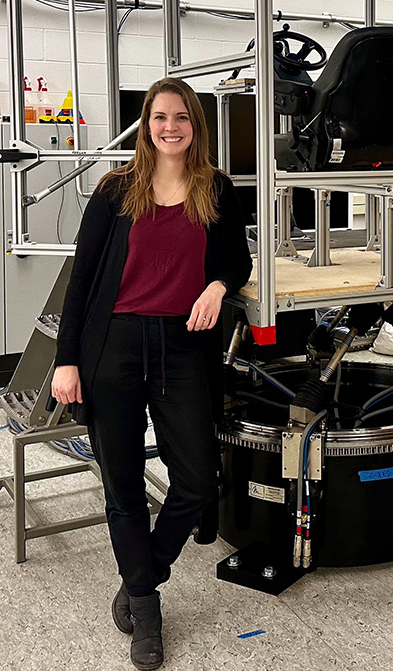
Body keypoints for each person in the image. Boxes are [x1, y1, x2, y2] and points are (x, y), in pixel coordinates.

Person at [51, 77, 252, 671]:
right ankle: (145, 604)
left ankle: (142, 576)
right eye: (160, 116)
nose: (170, 127)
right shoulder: (116, 191)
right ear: (146, 123)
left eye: (182, 117)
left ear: (196, 125)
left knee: (197, 477)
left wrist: (217, 284)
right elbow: (80, 279)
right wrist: (66, 360)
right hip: (113, 346)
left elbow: (237, 259)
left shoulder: (215, 189)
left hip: (183, 346)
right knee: (123, 480)